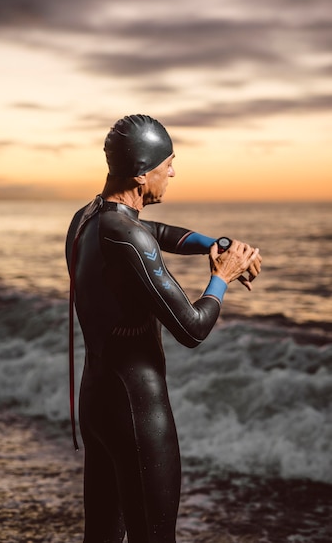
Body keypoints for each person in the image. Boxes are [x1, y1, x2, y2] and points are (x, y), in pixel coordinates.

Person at [65, 114, 262, 543]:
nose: (173, 171)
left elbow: (153, 232)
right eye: (167, 162)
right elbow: (192, 329)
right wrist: (221, 276)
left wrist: (215, 243)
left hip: (96, 400)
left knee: (100, 536)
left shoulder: (88, 219)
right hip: (136, 409)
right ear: (141, 173)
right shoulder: (127, 238)